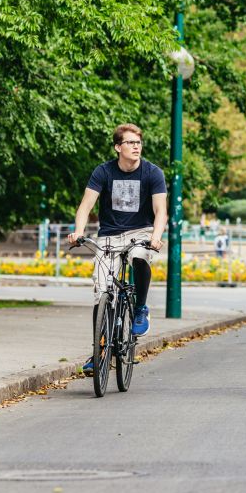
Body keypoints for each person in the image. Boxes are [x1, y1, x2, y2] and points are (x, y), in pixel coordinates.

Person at [67, 124, 167, 375]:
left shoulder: (152, 173)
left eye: (139, 143)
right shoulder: (103, 172)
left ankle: (141, 308)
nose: (136, 147)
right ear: (117, 147)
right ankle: (99, 351)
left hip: (141, 232)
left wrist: (156, 236)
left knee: (139, 257)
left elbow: (160, 211)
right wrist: (79, 231)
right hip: (109, 236)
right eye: (130, 143)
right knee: (101, 291)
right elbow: (85, 206)